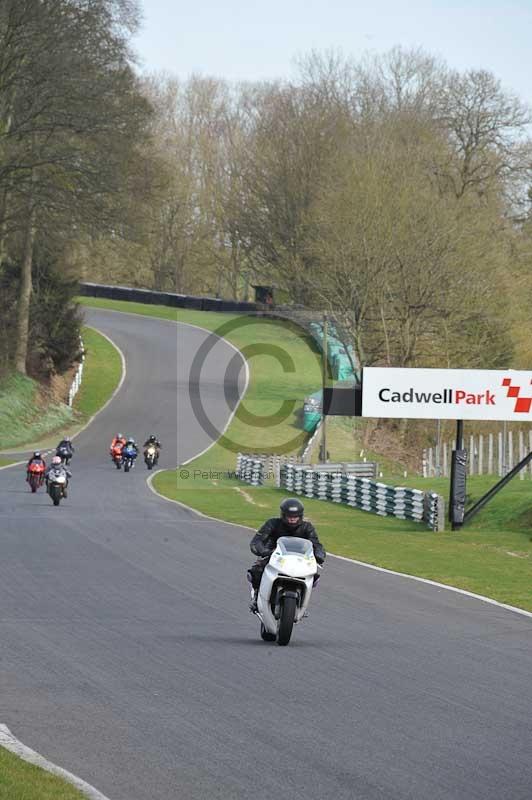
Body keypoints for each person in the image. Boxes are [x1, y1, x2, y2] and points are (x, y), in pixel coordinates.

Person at [247, 498, 326, 612]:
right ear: (283, 515)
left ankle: (301, 602)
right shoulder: (273, 523)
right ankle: (257, 597)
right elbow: (257, 541)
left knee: (314, 576)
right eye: (289, 516)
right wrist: (263, 551)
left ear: (300, 516)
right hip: (274, 556)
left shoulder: (307, 527)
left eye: (295, 517)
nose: (292, 519)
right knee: (256, 571)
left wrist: (319, 555)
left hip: (300, 560)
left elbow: (316, 544)